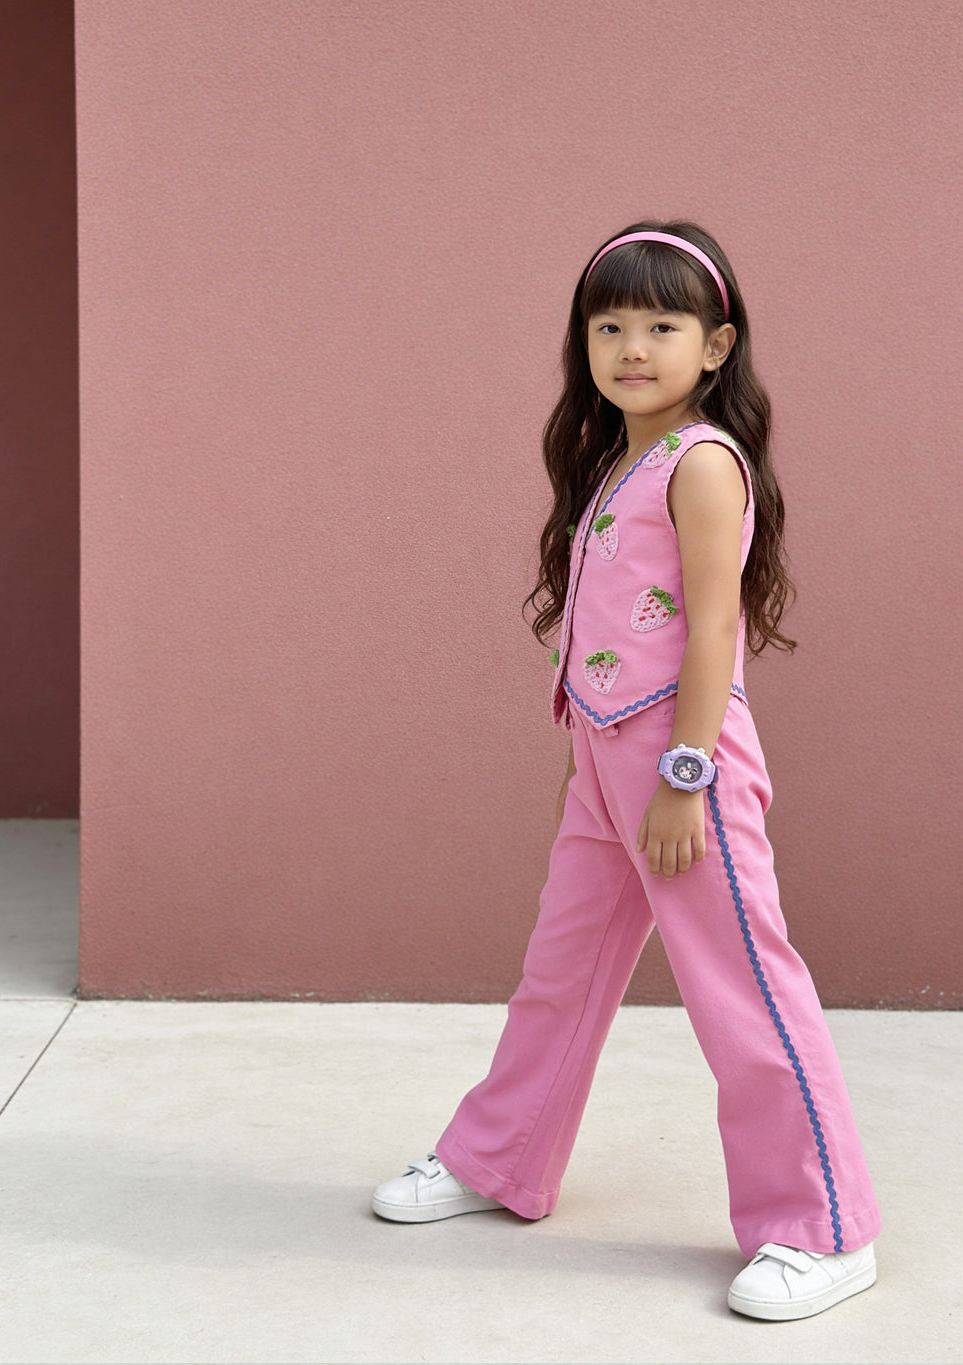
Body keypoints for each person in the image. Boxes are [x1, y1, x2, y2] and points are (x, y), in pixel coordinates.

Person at [371, 222, 880, 1321]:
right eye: (609, 325)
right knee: (558, 977)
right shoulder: (616, 461)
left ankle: (822, 1228)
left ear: (716, 345)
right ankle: (499, 1157)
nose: (632, 346)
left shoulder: (701, 463)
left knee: (741, 993)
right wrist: (588, 768)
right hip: (602, 770)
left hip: (680, 768)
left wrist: (683, 777)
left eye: (661, 324)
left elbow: (710, 633)